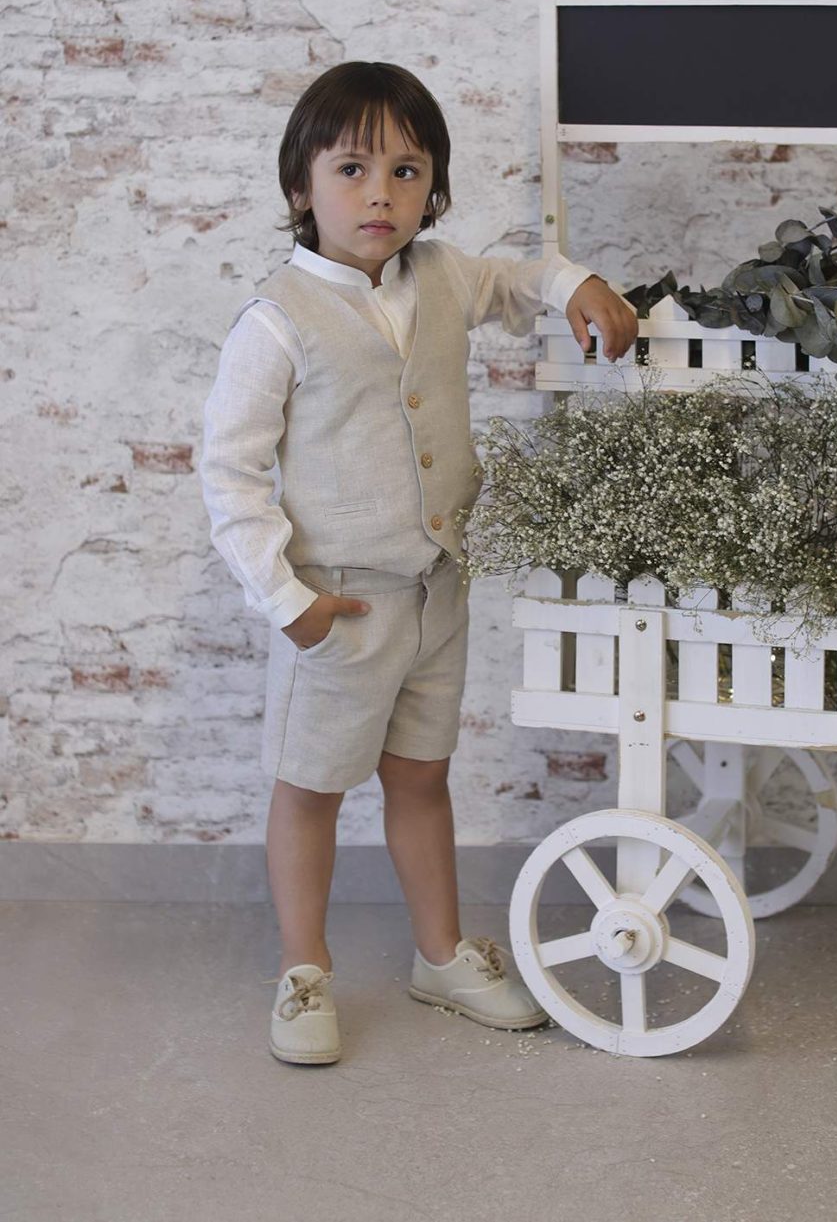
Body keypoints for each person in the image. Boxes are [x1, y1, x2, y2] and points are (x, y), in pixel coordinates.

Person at [198, 61, 638, 1065]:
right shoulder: (277, 319)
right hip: (338, 606)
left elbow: (517, 282)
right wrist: (287, 600)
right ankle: (303, 969)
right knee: (309, 787)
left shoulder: (439, 276)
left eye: (406, 171)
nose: (381, 194)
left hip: (438, 590)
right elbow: (229, 470)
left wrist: (575, 282)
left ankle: (440, 954)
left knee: (422, 777)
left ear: (432, 188)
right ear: (302, 186)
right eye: (352, 169)